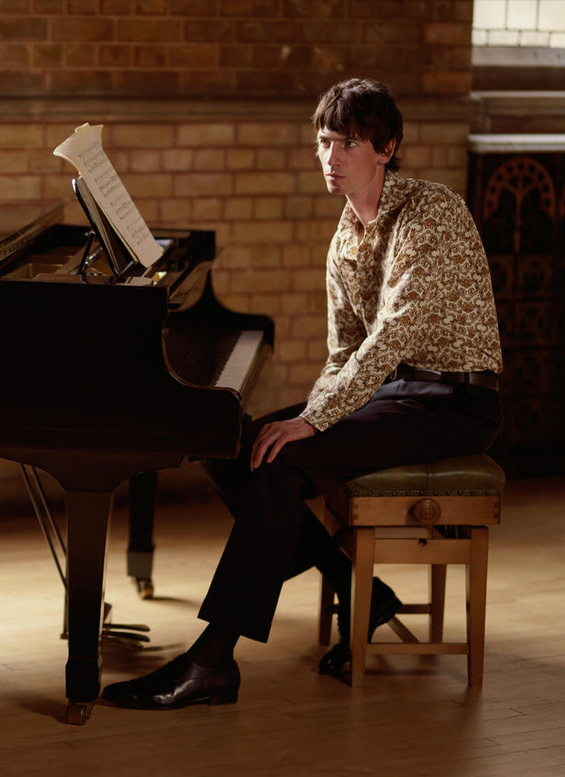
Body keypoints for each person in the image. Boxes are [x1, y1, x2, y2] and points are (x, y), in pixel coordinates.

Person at [102, 78, 503, 710]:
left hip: (454, 403)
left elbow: (394, 330)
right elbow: (344, 353)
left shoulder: (432, 211)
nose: (332, 157)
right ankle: (358, 588)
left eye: (348, 143)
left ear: (387, 148)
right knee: (234, 444)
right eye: (324, 142)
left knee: (286, 456)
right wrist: (311, 413)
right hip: (398, 392)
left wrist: (315, 421)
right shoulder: (344, 243)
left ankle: (213, 660)